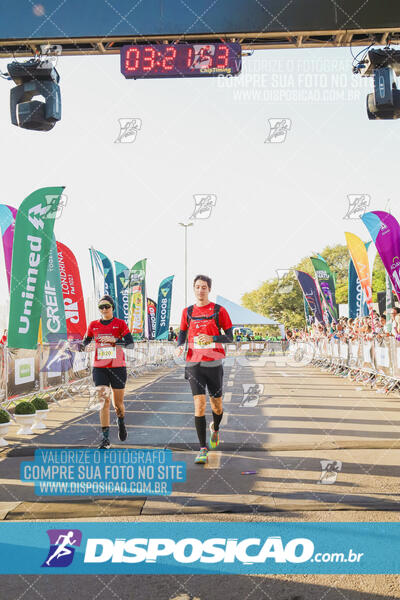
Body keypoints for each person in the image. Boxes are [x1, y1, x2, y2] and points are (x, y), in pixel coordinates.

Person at [176, 275, 233, 464]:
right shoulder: (188, 312)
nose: (201, 290)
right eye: (198, 287)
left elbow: (230, 337)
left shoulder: (219, 310)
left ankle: (215, 428)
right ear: (194, 289)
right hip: (194, 363)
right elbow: (182, 332)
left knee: (217, 405)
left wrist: (213, 339)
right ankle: (202, 448)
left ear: (209, 289)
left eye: (204, 287)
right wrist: (179, 345)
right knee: (199, 405)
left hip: (214, 362)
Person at [81, 295, 134, 449]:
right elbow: (85, 341)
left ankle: (121, 421)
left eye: (107, 306)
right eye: (101, 307)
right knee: (103, 402)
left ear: (112, 307)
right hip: (99, 367)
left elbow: (130, 344)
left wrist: (114, 341)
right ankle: (105, 439)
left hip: (117, 367)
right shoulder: (93, 325)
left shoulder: (120, 323)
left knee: (118, 405)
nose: (104, 309)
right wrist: (86, 347)